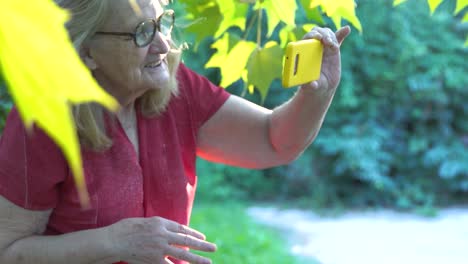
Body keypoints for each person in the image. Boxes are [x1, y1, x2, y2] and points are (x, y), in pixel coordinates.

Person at [0, 0, 350, 263]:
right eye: (141, 33)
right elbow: (9, 251)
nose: (163, 45)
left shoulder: (178, 86)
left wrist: (317, 93)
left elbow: (273, 141)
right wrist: (113, 242)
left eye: (162, 23)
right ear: (87, 52)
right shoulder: (41, 120)